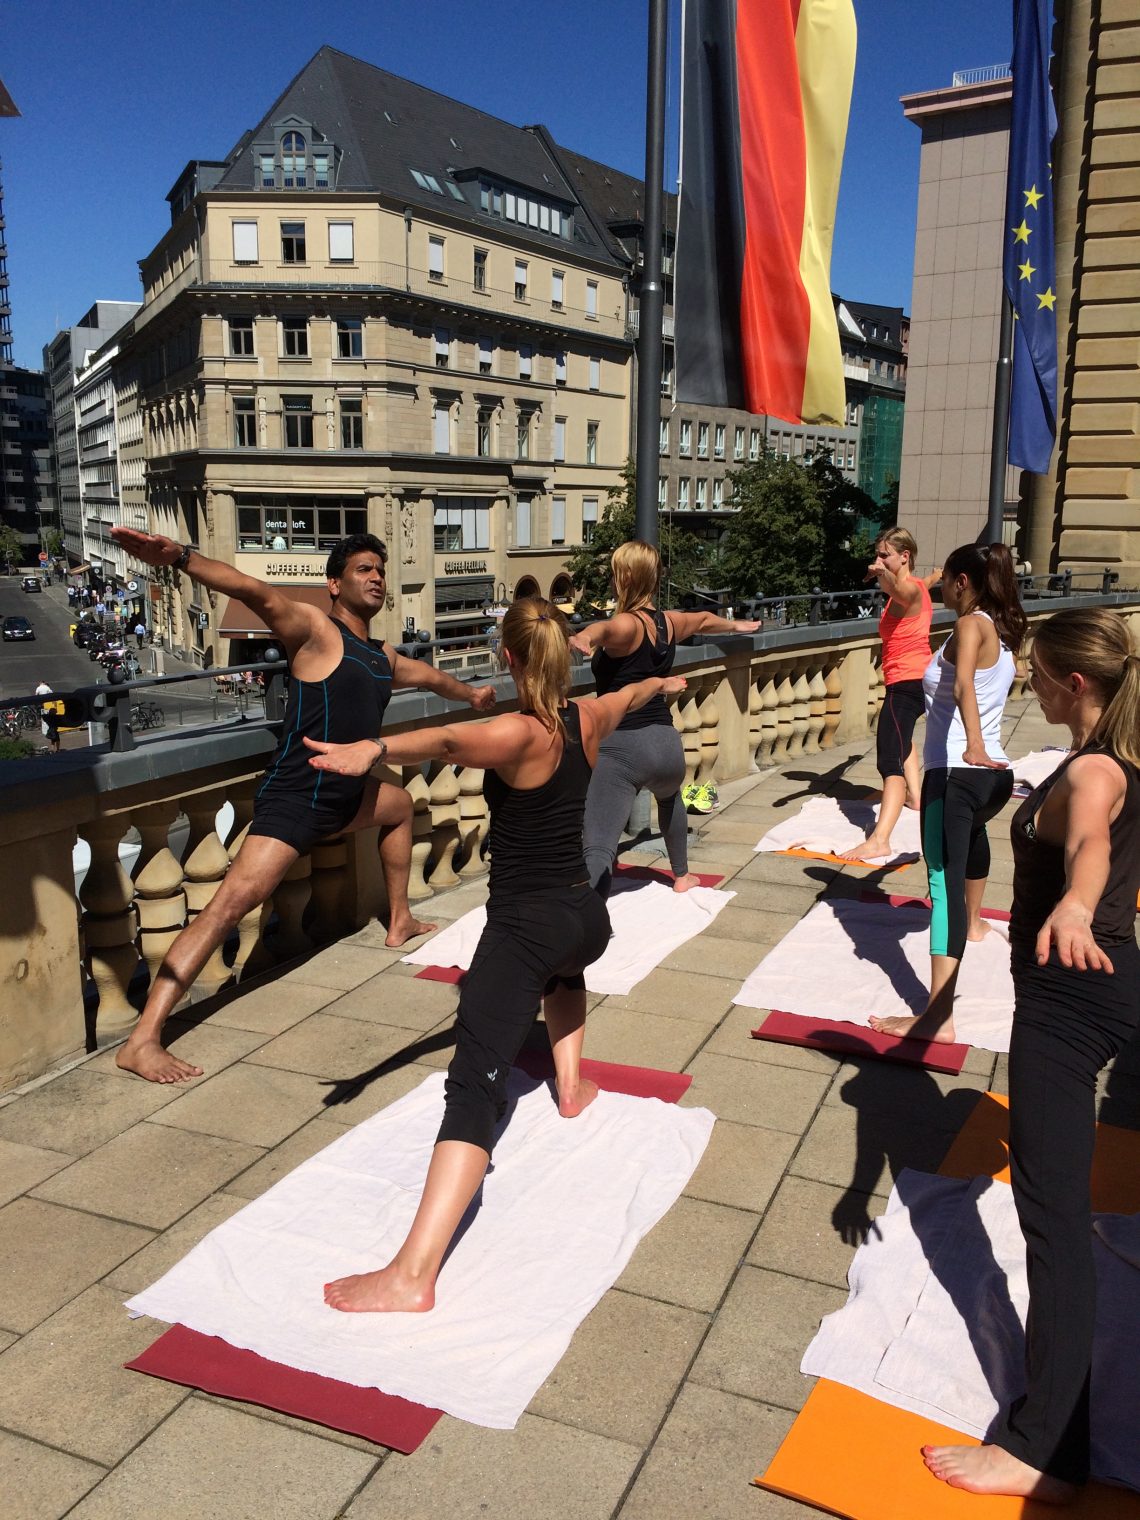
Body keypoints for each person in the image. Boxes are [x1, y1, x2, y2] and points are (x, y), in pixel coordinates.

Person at [305, 596, 687, 1313]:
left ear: (509, 659)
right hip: (585, 915)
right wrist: (661, 687)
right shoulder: (587, 717)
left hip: (526, 926)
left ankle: (412, 1275)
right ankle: (571, 1088)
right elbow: (629, 691)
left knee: (473, 1089)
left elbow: (451, 743)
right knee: (563, 972)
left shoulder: (519, 732)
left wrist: (375, 749)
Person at [106, 525, 496, 1084]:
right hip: (296, 799)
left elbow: (432, 676)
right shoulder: (315, 630)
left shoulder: (381, 656)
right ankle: (143, 1039)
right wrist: (181, 558)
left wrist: (474, 695)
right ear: (334, 584)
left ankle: (400, 920)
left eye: (380, 570)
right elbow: (253, 591)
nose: (377, 578)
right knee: (226, 908)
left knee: (396, 808)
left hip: (346, 796)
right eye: (364, 569)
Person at [923, 607, 1140, 1501]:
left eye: (1040, 675)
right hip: (1097, 983)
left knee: (1052, 1224)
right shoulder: (1123, 761)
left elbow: (1091, 843)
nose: (1031, 686)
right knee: (1057, 1213)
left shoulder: (1091, 769)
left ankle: (1044, 1448)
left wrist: (1080, 905)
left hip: (1069, 999)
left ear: (1074, 684)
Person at [871, 542, 1025, 1043]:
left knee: (942, 887)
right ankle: (976, 925)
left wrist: (975, 745)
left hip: (957, 770)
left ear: (961, 581)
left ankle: (937, 1019)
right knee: (972, 843)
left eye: (946, 581)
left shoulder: (969, 624)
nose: (940, 588)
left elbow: (961, 688)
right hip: (992, 780)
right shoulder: (1001, 631)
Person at [568, 540, 760, 896]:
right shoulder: (667, 623)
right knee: (670, 801)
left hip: (622, 746)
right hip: (666, 744)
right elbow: (703, 619)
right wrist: (737, 627)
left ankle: (588, 910)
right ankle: (683, 877)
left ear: (624, 577)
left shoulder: (628, 624)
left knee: (598, 843)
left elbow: (605, 630)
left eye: (613, 574)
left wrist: (583, 636)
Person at [840, 527, 939, 862]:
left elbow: (900, 589)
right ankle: (917, 797)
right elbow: (922, 582)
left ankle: (880, 839)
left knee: (888, 762)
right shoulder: (921, 587)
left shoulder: (907, 590)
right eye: (878, 554)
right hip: (917, 680)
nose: (878, 560)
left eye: (885, 555)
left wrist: (882, 574)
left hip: (907, 683)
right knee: (903, 738)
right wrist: (935, 575)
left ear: (904, 556)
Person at [34, 679, 60, 753]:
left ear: (40, 683)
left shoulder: (38, 688)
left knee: (53, 739)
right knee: (57, 739)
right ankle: (57, 749)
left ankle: (52, 749)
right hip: (48, 702)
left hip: (42, 703)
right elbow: (52, 693)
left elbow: (36, 695)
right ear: (44, 683)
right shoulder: (47, 687)